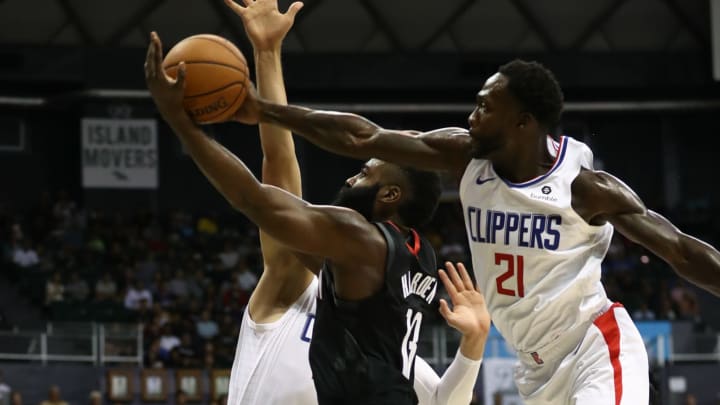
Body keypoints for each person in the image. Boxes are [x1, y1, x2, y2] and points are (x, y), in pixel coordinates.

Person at [233, 59, 720, 404]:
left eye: (486, 108)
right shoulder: (465, 157)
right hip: (534, 370)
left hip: (592, 344)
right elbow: (363, 136)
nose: (472, 117)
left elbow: (679, 251)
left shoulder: (585, 188)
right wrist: (268, 111)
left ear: (523, 123)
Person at [144, 1, 490, 404]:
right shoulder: (379, 318)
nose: (349, 177)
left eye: (365, 173)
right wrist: (267, 53)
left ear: (390, 196)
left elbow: (256, 197)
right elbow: (279, 168)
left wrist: (180, 122)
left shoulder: (358, 252)